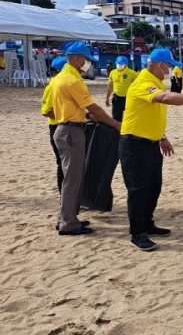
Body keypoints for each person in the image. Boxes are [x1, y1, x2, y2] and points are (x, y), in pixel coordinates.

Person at [119, 48, 183, 251]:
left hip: (152, 143)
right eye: (168, 66)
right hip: (134, 144)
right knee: (138, 190)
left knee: (154, 186)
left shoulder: (155, 82)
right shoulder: (142, 83)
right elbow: (163, 98)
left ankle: (147, 223)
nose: (170, 69)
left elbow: (151, 114)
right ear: (157, 64)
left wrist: (162, 138)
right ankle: (137, 234)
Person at [49, 42, 121, 235]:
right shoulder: (72, 80)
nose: (86, 63)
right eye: (85, 59)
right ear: (75, 58)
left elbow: (57, 108)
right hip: (71, 133)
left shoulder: (59, 79)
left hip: (65, 129)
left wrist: (83, 116)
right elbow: (94, 108)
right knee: (73, 179)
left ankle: (67, 217)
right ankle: (68, 223)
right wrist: (115, 124)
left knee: (71, 178)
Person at [41, 56, 68, 194]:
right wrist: (64, 117)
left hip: (65, 126)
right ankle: (63, 194)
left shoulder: (62, 85)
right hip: (57, 127)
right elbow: (46, 111)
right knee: (62, 164)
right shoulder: (52, 87)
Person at [105, 56, 138, 122]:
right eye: (118, 63)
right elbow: (110, 86)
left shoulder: (132, 73)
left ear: (126, 64)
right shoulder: (112, 72)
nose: (119, 65)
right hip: (117, 98)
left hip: (128, 99)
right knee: (116, 119)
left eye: (122, 64)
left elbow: (139, 84)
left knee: (130, 119)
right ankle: (117, 131)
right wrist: (107, 97)